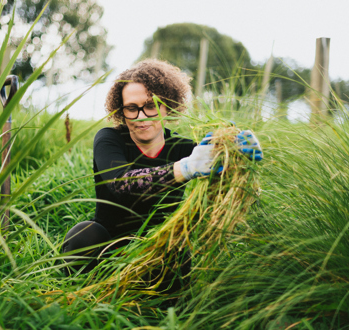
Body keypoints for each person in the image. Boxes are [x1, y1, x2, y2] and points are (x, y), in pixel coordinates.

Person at [62, 59, 262, 280]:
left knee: (178, 252)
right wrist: (184, 168)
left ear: (167, 106)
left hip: (156, 248)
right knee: (85, 234)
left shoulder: (184, 148)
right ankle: (78, 293)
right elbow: (121, 183)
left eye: (151, 106)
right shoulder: (110, 139)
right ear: (122, 111)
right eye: (131, 108)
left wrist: (234, 151)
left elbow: (225, 180)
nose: (141, 116)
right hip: (107, 247)